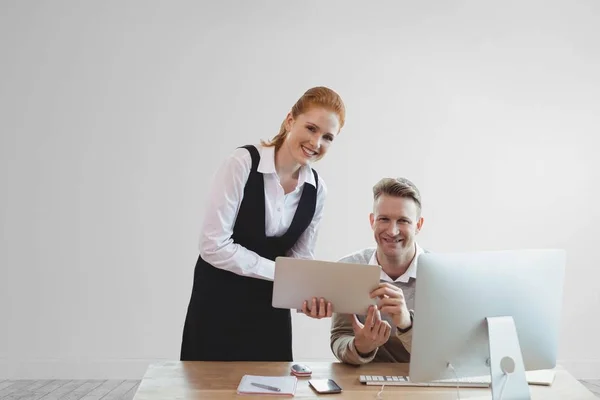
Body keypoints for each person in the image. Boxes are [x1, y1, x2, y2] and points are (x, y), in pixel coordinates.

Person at [181, 86, 345, 362]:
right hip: (217, 305)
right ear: (290, 120)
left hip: (270, 315)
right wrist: (280, 272)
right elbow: (212, 245)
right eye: (311, 128)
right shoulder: (241, 164)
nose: (317, 143)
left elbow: (301, 259)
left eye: (327, 137)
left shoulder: (318, 189)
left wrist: (310, 297)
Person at [330, 177, 425, 365]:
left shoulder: (438, 276)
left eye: (403, 221)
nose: (392, 231)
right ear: (372, 221)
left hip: (418, 384)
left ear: (418, 225)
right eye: (384, 219)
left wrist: (406, 325)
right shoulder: (349, 269)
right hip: (363, 385)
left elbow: (443, 356)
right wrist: (360, 346)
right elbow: (339, 338)